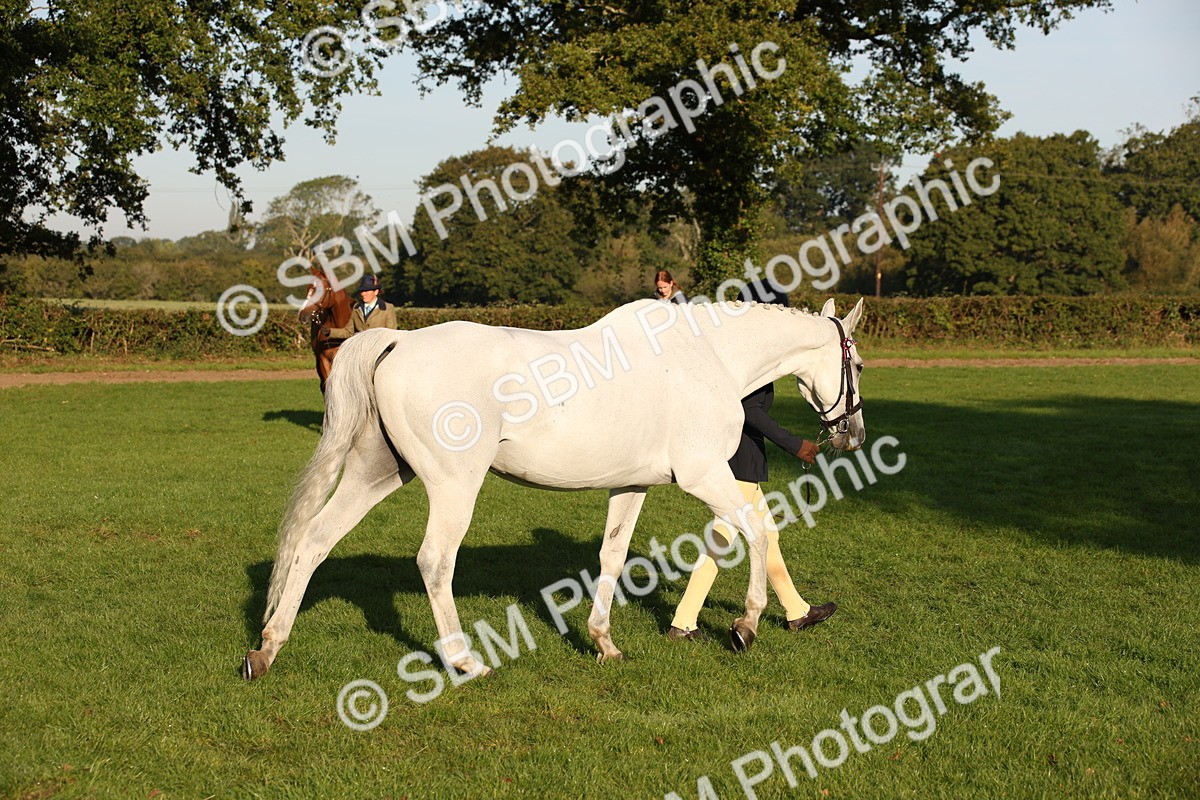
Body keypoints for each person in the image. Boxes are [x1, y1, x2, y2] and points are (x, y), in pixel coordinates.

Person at [667, 289, 836, 642]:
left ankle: (796, 611)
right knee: (723, 535)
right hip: (739, 457)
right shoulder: (749, 355)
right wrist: (795, 445)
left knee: (766, 535)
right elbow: (749, 412)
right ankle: (683, 622)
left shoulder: (752, 354)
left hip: (743, 456)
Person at [322, 273, 398, 338]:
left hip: (380, 351)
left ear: (376, 292)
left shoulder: (387, 308)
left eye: (366, 291)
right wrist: (330, 332)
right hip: (360, 351)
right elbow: (348, 332)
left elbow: (391, 334)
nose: (362, 294)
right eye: (362, 291)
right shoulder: (356, 307)